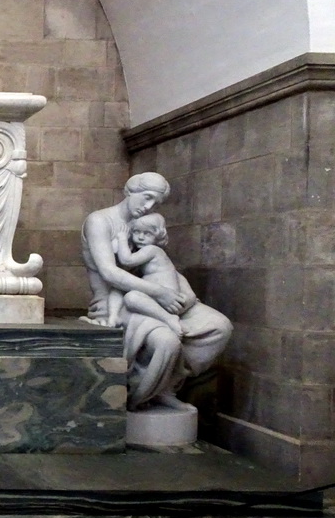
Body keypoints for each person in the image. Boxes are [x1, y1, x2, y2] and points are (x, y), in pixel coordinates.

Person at [81, 173, 231, 411]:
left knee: (219, 326)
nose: (148, 206)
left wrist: (187, 293)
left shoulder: (146, 223)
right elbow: (110, 273)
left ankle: (165, 386)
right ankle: (140, 396)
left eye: (155, 203)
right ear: (130, 191)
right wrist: (160, 293)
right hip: (117, 304)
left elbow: (162, 264)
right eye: (147, 198)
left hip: (157, 297)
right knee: (166, 342)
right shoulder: (99, 221)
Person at [107, 213, 191, 338]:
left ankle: (169, 319)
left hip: (166, 299)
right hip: (153, 297)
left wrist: (122, 238)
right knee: (118, 288)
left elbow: (127, 260)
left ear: (158, 236)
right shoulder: (144, 253)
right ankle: (114, 317)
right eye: (136, 232)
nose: (140, 237)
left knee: (131, 297)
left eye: (147, 234)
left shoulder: (152, 250)